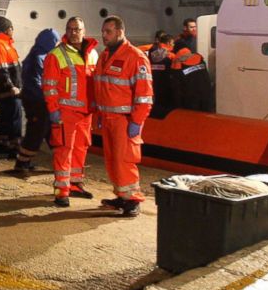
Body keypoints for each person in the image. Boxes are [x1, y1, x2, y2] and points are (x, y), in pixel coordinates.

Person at [93, 15, 153, 217]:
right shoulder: (105, 56)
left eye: (108, 32)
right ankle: (121, 196)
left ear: (120, 32)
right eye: (103, 32)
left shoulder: (135, 57)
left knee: (125, 160)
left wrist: (137, 121)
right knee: (113, 160)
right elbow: (102, 87)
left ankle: (133, 200)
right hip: (109, 118)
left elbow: (144, 95)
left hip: (124, 120)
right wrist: (101, 113)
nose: (104, 35)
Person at [44, 17, 98, 207]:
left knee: (81, 148)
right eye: (70, 29)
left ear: (84, 31)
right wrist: (53, 110)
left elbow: (95, 84)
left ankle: (75, 184)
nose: (74, 32)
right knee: (63, 150)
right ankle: (61, 190)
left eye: (78, 29)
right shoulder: (56, 55)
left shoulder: (92, 54)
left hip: (86, 112)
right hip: (66, 111)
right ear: (66, 31)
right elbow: (49, 86)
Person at [16, 28, 60, 171]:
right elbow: (37, 83)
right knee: (36, 131)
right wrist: (48, 98)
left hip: (37, 99)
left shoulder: (39, 54)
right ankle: (22, 163)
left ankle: (60, 161)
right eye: (56, 40)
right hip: (36, 101)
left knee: (47, 130)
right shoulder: (39, 57)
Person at [0, 15, 23, 159]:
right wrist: (12, 87)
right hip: (9, 92)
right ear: (8, 29)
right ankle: (13, 149)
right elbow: (1, 70)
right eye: (12, 28)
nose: (13, 30)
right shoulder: (0, 45)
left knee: (7, 119)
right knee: (14, 120)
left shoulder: (3, 44)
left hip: (7, 92)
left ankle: (5, 147)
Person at [171, 18, 211, 111]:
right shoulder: (199, 57)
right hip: (204, 95)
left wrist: (178, 106)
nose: (194, 29)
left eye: (195, 27)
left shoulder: (177, 63)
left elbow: (176, 87)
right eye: (191, 27)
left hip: (190, 97)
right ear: (185, 28)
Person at [139, 31, 175, 117]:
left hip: (154, 85)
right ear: (169, 43)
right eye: (173, 43)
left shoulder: (151, 54)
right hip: (166, 85)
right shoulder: (170, 56)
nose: (174, 45)